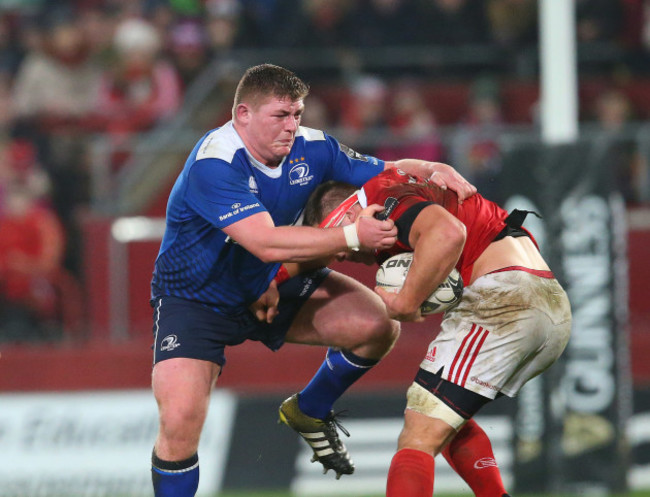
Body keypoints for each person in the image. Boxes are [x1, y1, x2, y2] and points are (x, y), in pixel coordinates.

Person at [148, 63, 476, 496]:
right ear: (242, 114)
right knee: (180, 423)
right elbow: (264, 242)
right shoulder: (216, 163)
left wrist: (428, 166)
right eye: (279, 116)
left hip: (272, 283)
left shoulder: (313, 147)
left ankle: (311, 407)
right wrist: (351, 235)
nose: (291, 127)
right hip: (194, 301)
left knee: (377, 326)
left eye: (296, 114)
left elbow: (384, 171)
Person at [300, 167, 572, 496]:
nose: (339, 252)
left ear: (354, 210)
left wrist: (404, 303)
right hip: (548, 305)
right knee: (445, 419)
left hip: (504, 301)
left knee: (418, 436)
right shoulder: (399, 193)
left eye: (336, 233)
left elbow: (448, 233)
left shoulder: (383, 200)